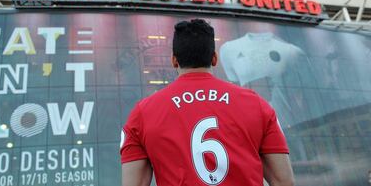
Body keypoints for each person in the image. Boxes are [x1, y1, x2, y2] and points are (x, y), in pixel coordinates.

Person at [120, 19, 295, 186]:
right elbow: (283, 181)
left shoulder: (142, 114)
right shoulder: (257, 105)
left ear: (174, 60)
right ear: (214, 58)